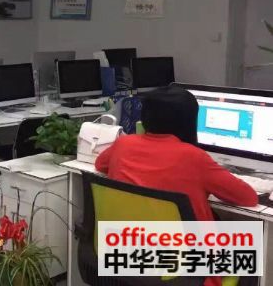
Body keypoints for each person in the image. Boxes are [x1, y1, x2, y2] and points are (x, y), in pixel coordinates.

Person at [95, 86, 258, 286]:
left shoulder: (124, 144)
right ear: (188, 122)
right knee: (251, 239)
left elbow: (101, 164)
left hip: (127, 256)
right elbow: (248, 197)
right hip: (186, 269)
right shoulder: (194, 157)